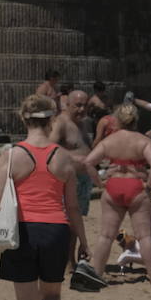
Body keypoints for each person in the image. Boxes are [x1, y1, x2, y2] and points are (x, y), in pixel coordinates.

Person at [0, 96, 90, 300]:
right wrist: (84, 242)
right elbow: (73, 208)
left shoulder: (11, 155)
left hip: (23, 232)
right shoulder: (64, 158)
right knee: (52, 296)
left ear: (23, 118)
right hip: (56, 231)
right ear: (51, 119)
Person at [82, 103, 151, 284]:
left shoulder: (109, 141)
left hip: (113, 186)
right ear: (135, 120)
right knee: (144, 236)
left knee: (106, 235)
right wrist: (149, 185)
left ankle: (97, 274)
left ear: (117, 119)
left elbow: (88, 162)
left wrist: (100, 183)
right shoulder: (142, 140)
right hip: (136, 187)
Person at [53, 89, 94, 217]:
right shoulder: (60, 123)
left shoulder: (83, 123)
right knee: (66, 220)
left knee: (79, 220)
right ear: (68, 105)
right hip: (68, 180)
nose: (82, 109)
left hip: (84, 180)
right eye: (78, 105)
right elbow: (48, 146)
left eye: (85, 105)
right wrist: (74, 157)